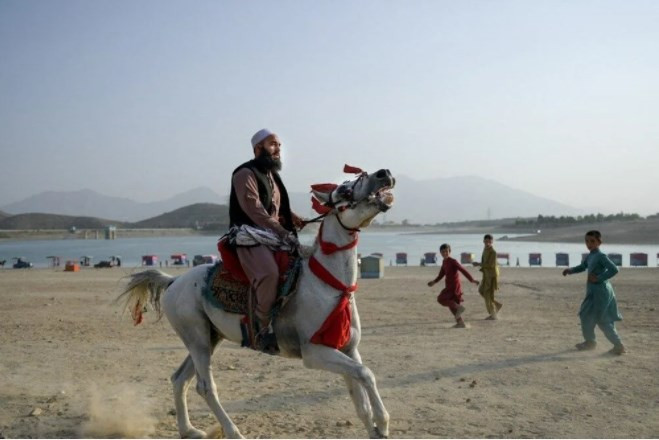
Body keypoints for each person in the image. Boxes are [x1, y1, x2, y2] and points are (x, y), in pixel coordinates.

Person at [229, 128, 304, 351]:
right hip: (248, 235)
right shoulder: (245, 173)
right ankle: (262, 328)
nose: (278, 149)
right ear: (258, 148)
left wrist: (295, 219)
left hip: (271, 233)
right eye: (272, 144)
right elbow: (256, 211)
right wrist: (283, 232)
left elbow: (275, 209)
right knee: (269, 274)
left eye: (279, 145)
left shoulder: (272, 175)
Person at [562, 230, 625, 355]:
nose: (589, 244)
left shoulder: (601, 256)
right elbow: (583, 266)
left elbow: (614, 269)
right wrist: (570, 270)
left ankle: (619, 346)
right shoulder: (591, 255)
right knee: (585, 315)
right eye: (586, 241)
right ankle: (590, 342)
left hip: (602, 292)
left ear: (599, 242)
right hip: (592, 292)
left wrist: (599, 278)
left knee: (602, 320)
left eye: (592, 241)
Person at [427, 244, 479, 328]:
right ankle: (460, 323)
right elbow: (441, 274)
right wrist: (434, 282)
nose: (445, 253)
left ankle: (459, 307)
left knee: (441, 299)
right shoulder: (444, 262)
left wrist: (471, 280)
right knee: (452, 306)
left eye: (446, 251)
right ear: (440, 253)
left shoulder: (453, 261)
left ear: (449, 252)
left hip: (454, 287)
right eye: (443, 252)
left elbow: (462, 270)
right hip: (449, 285)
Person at [473, 234, 502, 320]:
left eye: (489, 241)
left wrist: (478, 264)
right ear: (483, 241)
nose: (487, 243)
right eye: (486, 241)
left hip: (492, 275)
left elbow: (491, 265)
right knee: (482, 291)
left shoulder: (493, 252)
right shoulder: (485, 249)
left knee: (488, 294)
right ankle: (497, 305)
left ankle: (493, 314)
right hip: (486, 274)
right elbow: (484, 261)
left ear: (492, 242)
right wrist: (479, 265)